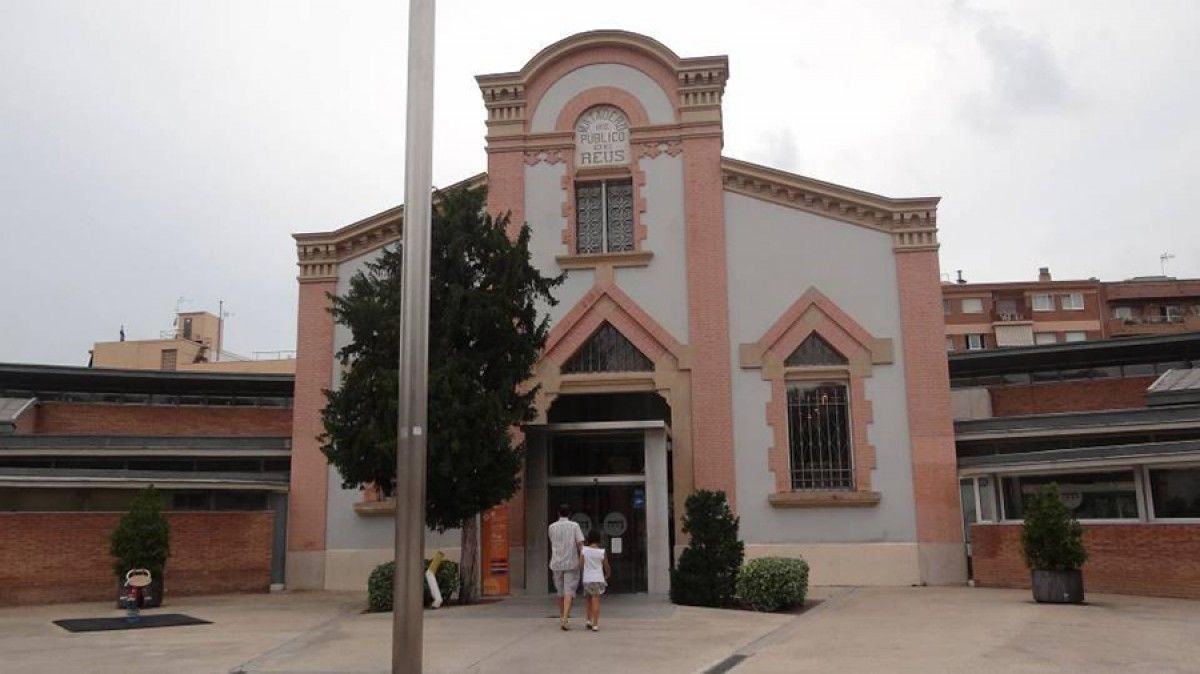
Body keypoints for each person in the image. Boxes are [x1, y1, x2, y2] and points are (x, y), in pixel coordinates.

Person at [547, 503, 584, 630]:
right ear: (570, 514)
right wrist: (582, 560)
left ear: (558, 513)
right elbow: (580, 544)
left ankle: (562, 615)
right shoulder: (575, 526)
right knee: (569, 591)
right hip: (571, 563)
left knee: (560, 592)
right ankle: (565, 618)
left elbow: (553, 542)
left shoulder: (551, 527)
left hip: (556, 562)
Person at [580, 529, 611, 632]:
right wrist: (607, 574)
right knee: (596, 600)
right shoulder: (601, 552)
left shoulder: (584, 550)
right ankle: (595, 624)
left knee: (588, 600)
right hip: (597, 578)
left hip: (587, 578)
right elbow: (606, 565)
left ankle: (588, 620)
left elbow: (581, 564)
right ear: (598, 539)